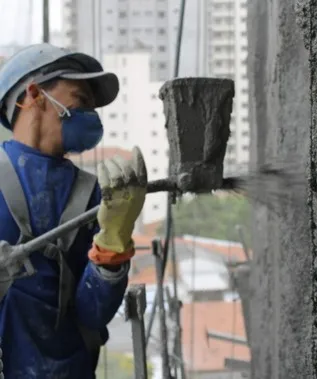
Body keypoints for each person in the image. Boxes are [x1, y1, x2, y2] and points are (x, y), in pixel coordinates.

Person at [0, 44, 147, 378]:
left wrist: (114, 239)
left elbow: (91, 313)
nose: (90, 117)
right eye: (80, 100)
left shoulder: (92, 193)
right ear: (34, 94)